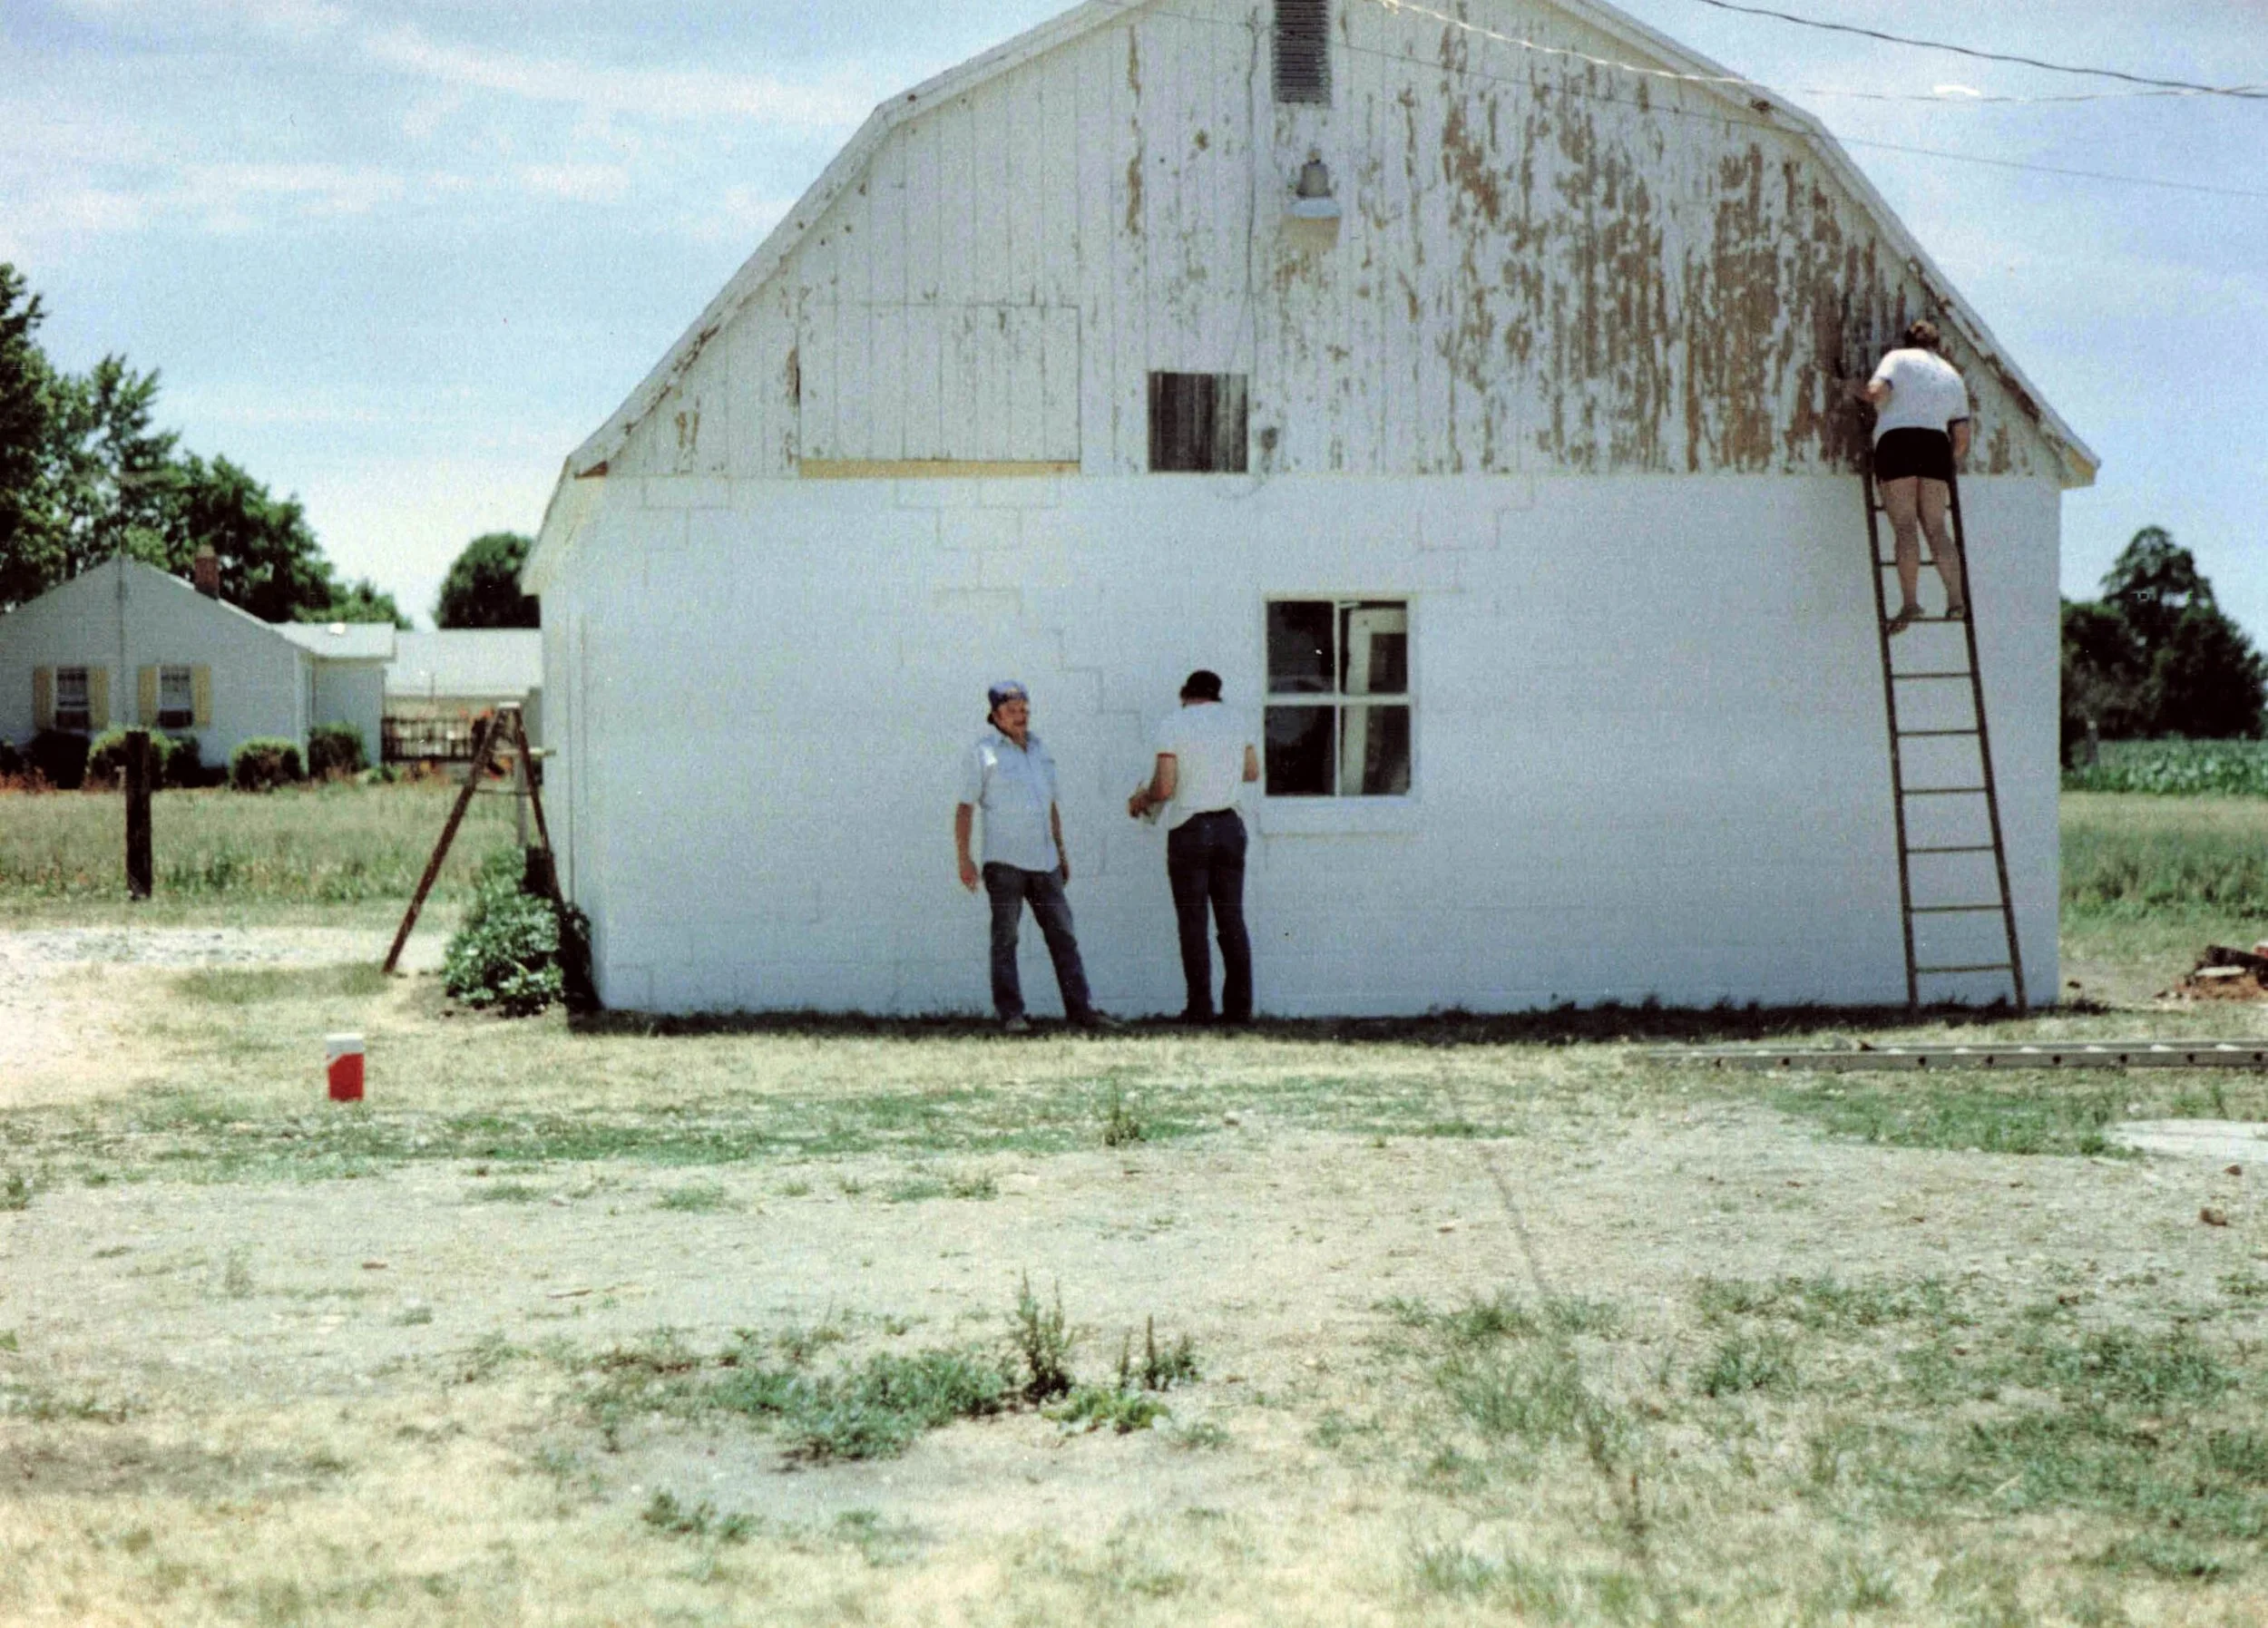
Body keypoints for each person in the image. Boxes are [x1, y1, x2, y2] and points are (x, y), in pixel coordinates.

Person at [955, 681, 1115, 1033]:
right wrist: (964, 859)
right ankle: (1012, 1014)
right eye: (1012, 711)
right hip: (1005, 862)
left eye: (1025, 710)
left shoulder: (1040, 750)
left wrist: (1061, 850)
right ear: (996, 715)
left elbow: (1051, 805)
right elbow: (965, 808)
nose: (1020, 717)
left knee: (1064, 936)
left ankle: (1081, 1010)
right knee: (1006, 939)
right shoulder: (983, 753)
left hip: (1045, 863)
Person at [1127, 669, 1260, 1024]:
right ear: (1218, 695)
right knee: (1231, 918)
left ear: (1185, 693)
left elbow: (1166, 787)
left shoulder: (1174, 724)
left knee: (1193, 921)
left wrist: (1143, 798)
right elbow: (1251, 772)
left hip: (1191, 826)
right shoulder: (1237, 721)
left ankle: (1200, 1006)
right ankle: (1239, 1008)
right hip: (1231, 824)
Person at [1864, 318, 1974, 636]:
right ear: (1936, 345)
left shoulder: (1897, 359)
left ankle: (1911, 602)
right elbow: (1962, 438)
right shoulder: (1952, 375)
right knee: (1937, 528)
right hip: (1936, 447)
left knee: (1905, 526)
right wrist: (1941, 464)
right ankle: (1956, 600)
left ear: (1907, 340)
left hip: (1897, 441)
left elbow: (1876, 392)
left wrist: (1852, 388)